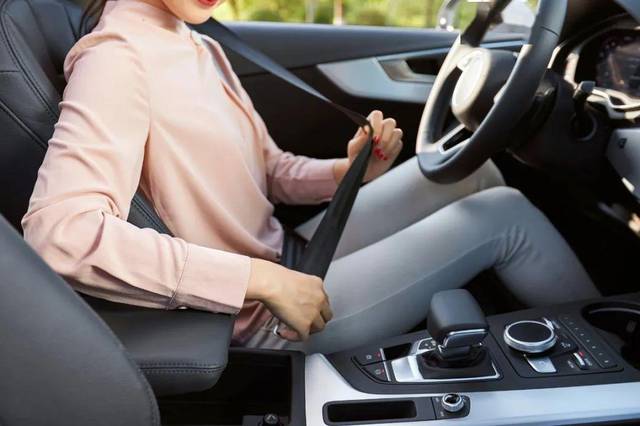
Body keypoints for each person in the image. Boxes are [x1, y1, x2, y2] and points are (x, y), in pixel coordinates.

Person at [21, 0, 600, 354]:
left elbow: (271, 170)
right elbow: (61, 233)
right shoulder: (118, 58)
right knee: (504, 216)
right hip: (263, 314)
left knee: (472, 176)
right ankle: (615, 358)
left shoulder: (199, 43)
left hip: (291, 253)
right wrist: (260, 281)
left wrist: (349, 171)